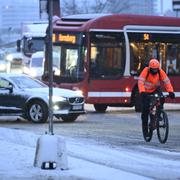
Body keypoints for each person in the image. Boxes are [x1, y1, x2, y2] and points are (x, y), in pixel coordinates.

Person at [138, 59, 175, 136]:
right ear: (150, 68)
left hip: (155, 89)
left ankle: (159, 112)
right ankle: (145, 131)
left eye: (156, 69)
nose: (154, 71)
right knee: (145, 110)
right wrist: (142, 91)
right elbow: (140, 82)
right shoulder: (146, 71)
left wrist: (171, 91)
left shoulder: (160, 72)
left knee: (161, 98)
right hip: (145, 92)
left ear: (158, 68)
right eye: (153, 69)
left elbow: (167, 82)